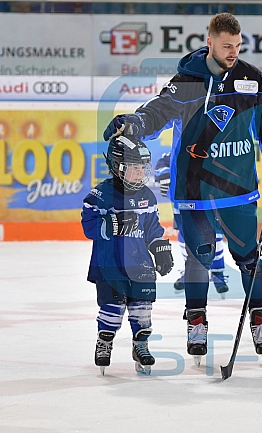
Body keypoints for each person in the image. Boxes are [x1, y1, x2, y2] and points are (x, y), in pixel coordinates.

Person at [103, 13, 262, 364]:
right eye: (226, 46)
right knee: (199, 259)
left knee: (249, 257)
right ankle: (197, 320)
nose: (233, 52)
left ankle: (261, 320)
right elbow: (157, 112)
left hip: (238, 190)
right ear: (210, 43)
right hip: (195, 191)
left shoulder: (253, 79)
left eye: (237, 46)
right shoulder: (188, 80)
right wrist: (133, 122)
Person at [81, 136, 174, 375]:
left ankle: (141, 345)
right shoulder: (100, 194)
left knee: (142, 309)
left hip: (141, 265)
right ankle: (105, 341)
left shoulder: (148, 197)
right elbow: (89, 227)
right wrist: (112, 223)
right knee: (111, 308)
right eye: (134, 167)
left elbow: (153, 229)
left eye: (143, 167)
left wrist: (160, 249)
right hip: (110, 265)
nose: (140, 172)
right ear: (117, 167)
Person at [154, 152, 229, 296]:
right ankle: (190, 270)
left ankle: (217, 273)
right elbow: (163, 161)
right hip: (184, 202)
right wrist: (164, 177)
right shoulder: (180, 147)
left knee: (216, 236)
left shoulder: (213, 145)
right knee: (185, 237)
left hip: (209, 201)